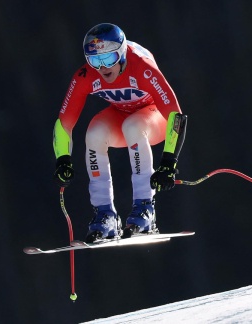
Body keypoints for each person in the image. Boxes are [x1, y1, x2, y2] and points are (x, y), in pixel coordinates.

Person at [52, 23, 187, 243]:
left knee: (133, 127)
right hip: (122, 113)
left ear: (122, 53)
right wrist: (63, 160)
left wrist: (169, 161)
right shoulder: (86, 76)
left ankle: (145, 210)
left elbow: (175, 116)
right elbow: (64, 123)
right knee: (94, 133)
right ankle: (104, 214)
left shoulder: (141, 67)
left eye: (109, 59)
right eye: (95, 60)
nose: (103, 67)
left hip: (154, 117)